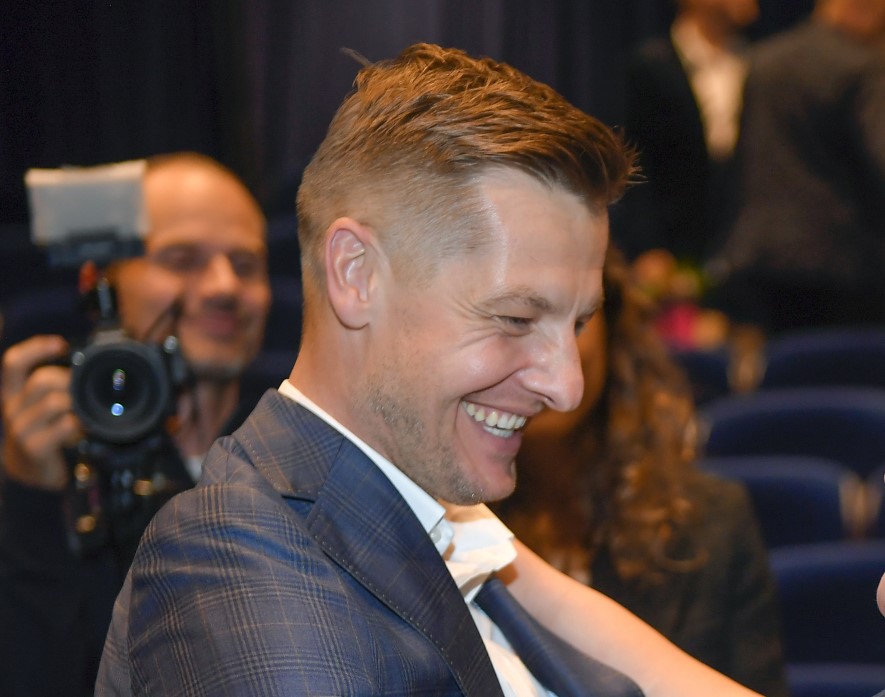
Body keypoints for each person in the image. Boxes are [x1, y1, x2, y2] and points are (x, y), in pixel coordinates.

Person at [96, 44, 764, 697]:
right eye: (514, 318)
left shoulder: (452, 530)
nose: (568, 388)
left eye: (579, 324)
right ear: (356, 274)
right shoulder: (230, 554)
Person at [0, 152, 272, 697]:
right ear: (100, 280)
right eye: (182, 259)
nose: (224, 285)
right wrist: (27, 499)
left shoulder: (298, 451)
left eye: (246, 265)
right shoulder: (48, 458)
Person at [495, 245, 788, 697]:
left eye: (577, 320)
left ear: (611, 331)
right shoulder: (442, 525)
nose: (551, 371)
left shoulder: (715, 518)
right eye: (517, 320)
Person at [709, 0, 885, 335]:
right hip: (842, 271)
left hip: (760, 259)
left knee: (782, 365)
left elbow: (741, 164)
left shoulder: (763, 59)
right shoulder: (863, 66)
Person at [614, 0, 758, 265]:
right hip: (677, 249)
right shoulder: (652, 64)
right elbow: (635, 159)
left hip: (744, 249)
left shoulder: (757, 61)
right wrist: (648, 247)